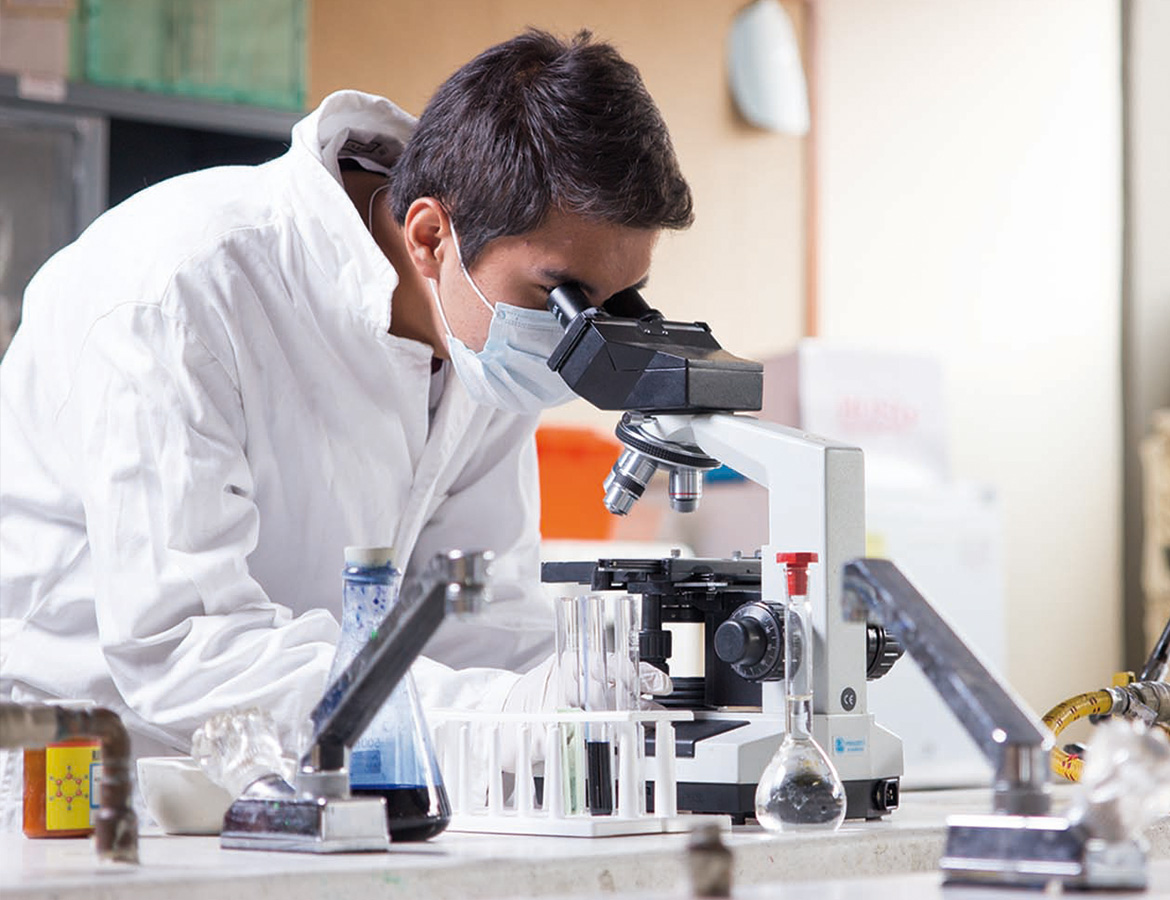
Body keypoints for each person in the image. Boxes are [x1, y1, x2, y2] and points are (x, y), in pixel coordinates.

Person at [0, 29, 689, 824]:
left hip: (317, 784)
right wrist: (501, 720)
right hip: (94, 786)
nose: (585, 338)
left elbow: (479, 631)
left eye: (616, 302)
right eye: (561, 295)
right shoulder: (183, 289)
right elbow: (185, 647)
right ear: (431, 236)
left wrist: (583, 699)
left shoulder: (484, 334)